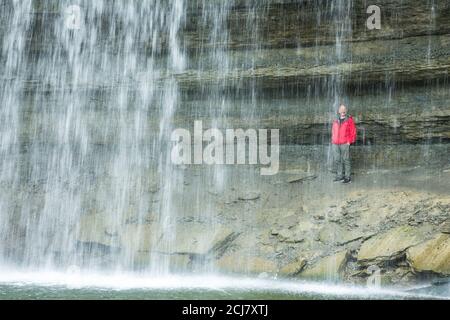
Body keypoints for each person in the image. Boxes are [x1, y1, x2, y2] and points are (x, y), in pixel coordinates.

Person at [331, 104, 357, 183]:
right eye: (341, 110)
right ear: (338, 111)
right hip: (335, 143)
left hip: (345, 143)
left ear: (346, 111)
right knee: (337, 159)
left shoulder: (349, 120)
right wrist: (333, 139)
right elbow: (333, 130)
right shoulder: (335, 120)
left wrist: (349, 141)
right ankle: (339, 176)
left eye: (344, 110)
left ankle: (347, 177)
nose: (343, 111)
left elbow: (353, 131)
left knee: (346, 160)